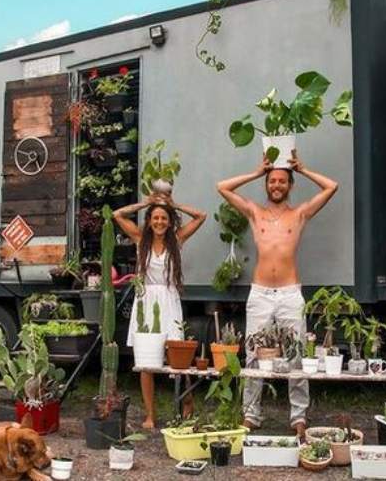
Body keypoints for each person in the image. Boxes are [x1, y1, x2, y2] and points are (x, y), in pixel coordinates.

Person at [217, 151, 338, 438]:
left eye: (282, 181)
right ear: (266, 184)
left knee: (296, 354)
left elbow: (331, 186)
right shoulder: (254, 211)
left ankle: (298, 417)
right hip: (259, 293)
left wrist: (304, 168)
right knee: (252, 355)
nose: (277, 185)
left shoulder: (299, 214)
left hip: (289, 292)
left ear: (290, 185)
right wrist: (258, 171)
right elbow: (222, 187)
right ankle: (251, 414)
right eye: (272, 181)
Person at [113, 194, 207, 429]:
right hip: (146, 301)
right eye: (155, 217)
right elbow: (117, 215)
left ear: (170, 220)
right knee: (146, 360)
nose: (159, 222)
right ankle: (150, 414)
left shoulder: (177, 238)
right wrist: (147, 202)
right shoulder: (139, 238)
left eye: (163, 218)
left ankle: (187, 402)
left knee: (177, 355)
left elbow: (201, 216)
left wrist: (173, 204)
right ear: (149, 220)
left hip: (168, 297)